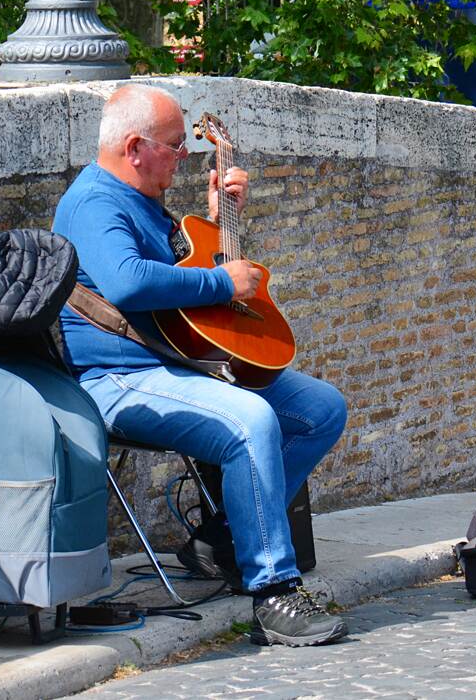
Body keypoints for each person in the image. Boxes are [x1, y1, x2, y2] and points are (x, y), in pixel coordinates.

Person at [52, 83, 349, 647]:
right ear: (135, 148)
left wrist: (220, 221)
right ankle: (273, 593)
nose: (183, 157)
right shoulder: (94, 202)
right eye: (174, 147)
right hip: (116, 378)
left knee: (319, 409)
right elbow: (128, 281)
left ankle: (223, 539)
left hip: (173, 364)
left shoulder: (141, 198)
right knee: (251, 420)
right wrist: (221, 280)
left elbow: (183, 281)